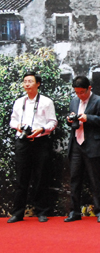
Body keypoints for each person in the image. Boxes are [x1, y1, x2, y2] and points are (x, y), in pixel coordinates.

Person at [7, 72, 58, 223]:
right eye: (25, 81)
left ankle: (41, 212)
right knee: (21, 178)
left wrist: (42, 129)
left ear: (38, 84)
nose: (27, 84)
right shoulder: (18, 102)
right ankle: (18, 213)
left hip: (40, 142)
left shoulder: (47, 102)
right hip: (22, 142)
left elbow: (52, 122)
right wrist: (19, 126)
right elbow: (12, 121)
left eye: (30, 81)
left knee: (40, 177)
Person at [65, 76, 100, 223]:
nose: (79, 95)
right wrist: (69, 120)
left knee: (95, 179)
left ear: (89, 88)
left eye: (82, 92)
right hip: (76, 144)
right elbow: (72, 121)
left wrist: (88, 118)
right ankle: (74, 212)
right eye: (77, 92)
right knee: (75, 180)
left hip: (92, 144)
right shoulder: (73, 101)